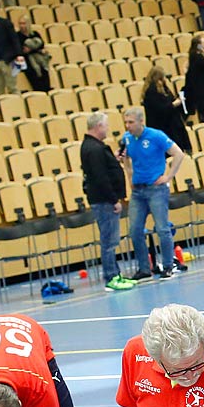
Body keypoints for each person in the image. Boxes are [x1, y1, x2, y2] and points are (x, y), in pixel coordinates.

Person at [120, 106, 187, 282]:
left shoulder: (155, 135)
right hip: (138, 190)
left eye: (131, 122)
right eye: (126, 122)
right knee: (135, 229)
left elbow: (178, 153)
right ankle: (144, 268)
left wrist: (168, 176)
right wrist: (129, 176)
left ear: (141, 121)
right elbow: (125, 158)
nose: (128, 126)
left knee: (162, 228)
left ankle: (167, 265)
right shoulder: (127, 138)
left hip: (156, 188)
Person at [80, 111, 134, 291]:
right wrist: (114, 200)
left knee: (110, 240)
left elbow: (104, 168)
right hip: (104, 201)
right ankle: (111, 276)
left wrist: (114, 159)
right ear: (98, 126)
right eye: (106, 125)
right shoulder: (94, 148)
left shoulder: (94, 146)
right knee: (109, 241)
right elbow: (100, 177)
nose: (108, 129)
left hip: (103, 200)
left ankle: (115, 274)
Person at [142, 64, 192, 152]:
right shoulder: (151, 91)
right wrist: (174, 104)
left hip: (172, 126)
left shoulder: (164, 88)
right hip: (162, 127)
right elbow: (160, 109)